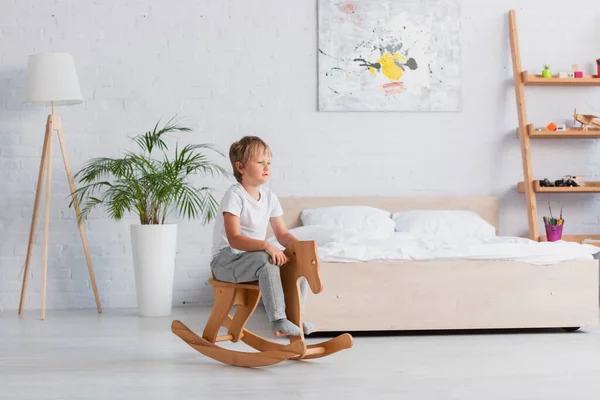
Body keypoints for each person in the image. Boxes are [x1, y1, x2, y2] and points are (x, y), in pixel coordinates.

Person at [210, 136, 314, 336]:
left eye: (268, 163)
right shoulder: (235, 195)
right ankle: (278, 320)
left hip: (250, 259)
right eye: (260, 162)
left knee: (296, 264)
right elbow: (234, 238)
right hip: (226, 260)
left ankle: (296, 318)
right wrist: (266, 245)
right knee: (265, 260)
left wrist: (301, 250)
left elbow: (282, 234)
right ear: (241, 168)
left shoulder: (269, 197)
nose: (266, 167)